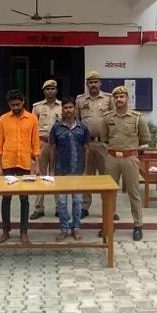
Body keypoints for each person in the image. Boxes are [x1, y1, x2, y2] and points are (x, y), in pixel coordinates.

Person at [102, 86, 151, 241]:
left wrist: (133, 150)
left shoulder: (137, 118)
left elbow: (145, 139)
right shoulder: (107, 118)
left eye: (122, 96)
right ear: (113, 99)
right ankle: (108, 224)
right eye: (116, 97)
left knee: (133, 193)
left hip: (130, 159)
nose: (119, 99)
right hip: (112, 158)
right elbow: (104, 138)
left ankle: (138, 225)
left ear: (127, 98)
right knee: (109, 193)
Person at [0, 89, 41, 245]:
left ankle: (24, 232)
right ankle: (5, 231)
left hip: (25, 164)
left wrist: (37, 165)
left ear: (23, 102)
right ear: (9, 104)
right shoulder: (3, 119)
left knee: (24, 198)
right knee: (6, 198)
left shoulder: (32, 119)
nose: (15, 107)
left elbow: (35, 143)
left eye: (18, 104)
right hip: (8, 163)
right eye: (12, 105)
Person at [75, 70, 116, 220]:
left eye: (95, 82)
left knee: (107, 177)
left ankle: (110, 208)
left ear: (100, 83)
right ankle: (85, 207)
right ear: (87, 84)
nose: (93, 85)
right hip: (86, 144)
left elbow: (114, 120)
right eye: (90, 82)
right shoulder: (80, 100)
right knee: (86, 176)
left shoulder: (108, 99)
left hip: (103, 144)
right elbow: (77, 121)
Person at [49, 97, 89, 241]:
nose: (68, 110)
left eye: (70, 107)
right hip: (61, 171)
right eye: (65, 108)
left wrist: (85, 170)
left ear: (75, 109)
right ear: (62, 110)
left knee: (77, 201)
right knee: (62, 202)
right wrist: (52, 170)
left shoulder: (82, 127)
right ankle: (64, 229)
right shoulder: (56, 127)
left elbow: (86, 149)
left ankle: (76, 228)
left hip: (77, 171)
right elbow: (52, 149)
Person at [30, 79, 62, 220]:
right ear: (44, 91)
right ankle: (39, 208)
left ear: (56, 90)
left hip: (57, 145)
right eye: (47, 89)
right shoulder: (37, 107)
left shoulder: (62, 107)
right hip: (42, 143)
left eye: (52, 89)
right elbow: (32, 128)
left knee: (56, 175)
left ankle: (59, 207)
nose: (50, 91)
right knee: (40, 175)